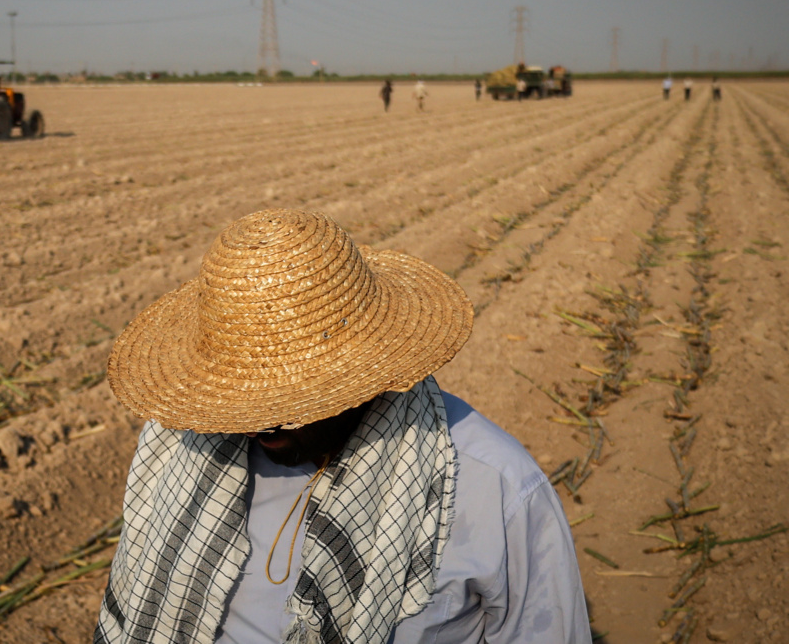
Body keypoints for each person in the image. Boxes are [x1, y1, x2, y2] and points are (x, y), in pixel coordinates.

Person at [96, 209, 590, 644]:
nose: (254, 421)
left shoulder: (489, 485)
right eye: (240, 398)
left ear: (366, 373)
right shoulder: (188, 446)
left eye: (287, 398)